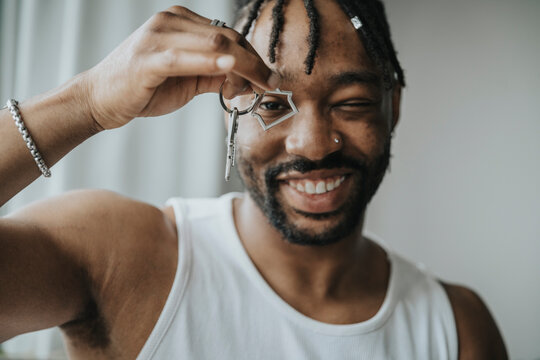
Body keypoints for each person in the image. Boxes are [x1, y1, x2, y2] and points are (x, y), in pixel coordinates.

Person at [0, 0, 508, 359]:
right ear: (231, 115)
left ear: (391, 108)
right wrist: (86, 103)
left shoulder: (456, 328)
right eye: (271, 104)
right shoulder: (118, 255)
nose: (311, 144)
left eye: (350, 103)